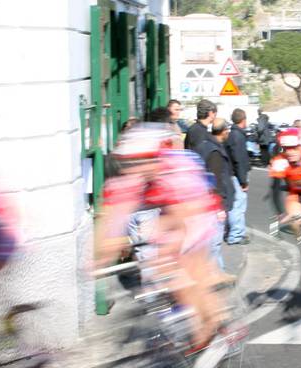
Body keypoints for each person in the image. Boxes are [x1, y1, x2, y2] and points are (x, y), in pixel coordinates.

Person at [96, 123, 230, 352]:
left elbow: (185, 222)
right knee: (164, 266)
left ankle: (212, 322)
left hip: (196, 210)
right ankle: (187, 316)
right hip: (170, 211)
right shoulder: (129, 176)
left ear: (155, 158)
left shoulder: (177, 170)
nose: (134, 170)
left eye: (141, 162)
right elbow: (109, 220)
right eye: (129, 164)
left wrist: (169, 255)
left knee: (182, 270)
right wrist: (96, 257)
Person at [191, 118, 235, 269]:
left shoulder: (203, 145)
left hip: (204, 203)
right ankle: (217, 278)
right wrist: (220, 207)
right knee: (214, 246)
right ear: (224, 131)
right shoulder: (214, 151)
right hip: (214, 205)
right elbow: (215, 181)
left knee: (210, 247)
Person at [225, 108, 251, 245]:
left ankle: (235, 232)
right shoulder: (238, 136)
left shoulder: (232, 134)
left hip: (232, 174)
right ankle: (236, 235)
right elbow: (239, 159)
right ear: (243, 120)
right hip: (236, 176)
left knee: (236, 205)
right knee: (238, 206)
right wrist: (243, 181)